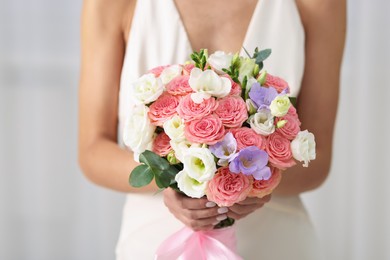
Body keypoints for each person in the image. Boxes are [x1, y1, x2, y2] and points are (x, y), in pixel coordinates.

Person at [78, 0, 346, 259]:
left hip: (274, 243)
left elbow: (318, 157)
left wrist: (256, 183)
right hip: (154, 242)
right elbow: (93, 150)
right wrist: (172, 180)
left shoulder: (318, 3)